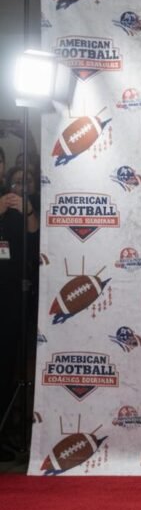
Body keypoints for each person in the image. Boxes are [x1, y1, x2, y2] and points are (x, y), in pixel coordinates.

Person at [0, 165, 39, 460]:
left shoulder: (14, 201)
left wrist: (28, 211)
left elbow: (35, 244)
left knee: (7, 364)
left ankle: (4, 432)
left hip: (10, 295)